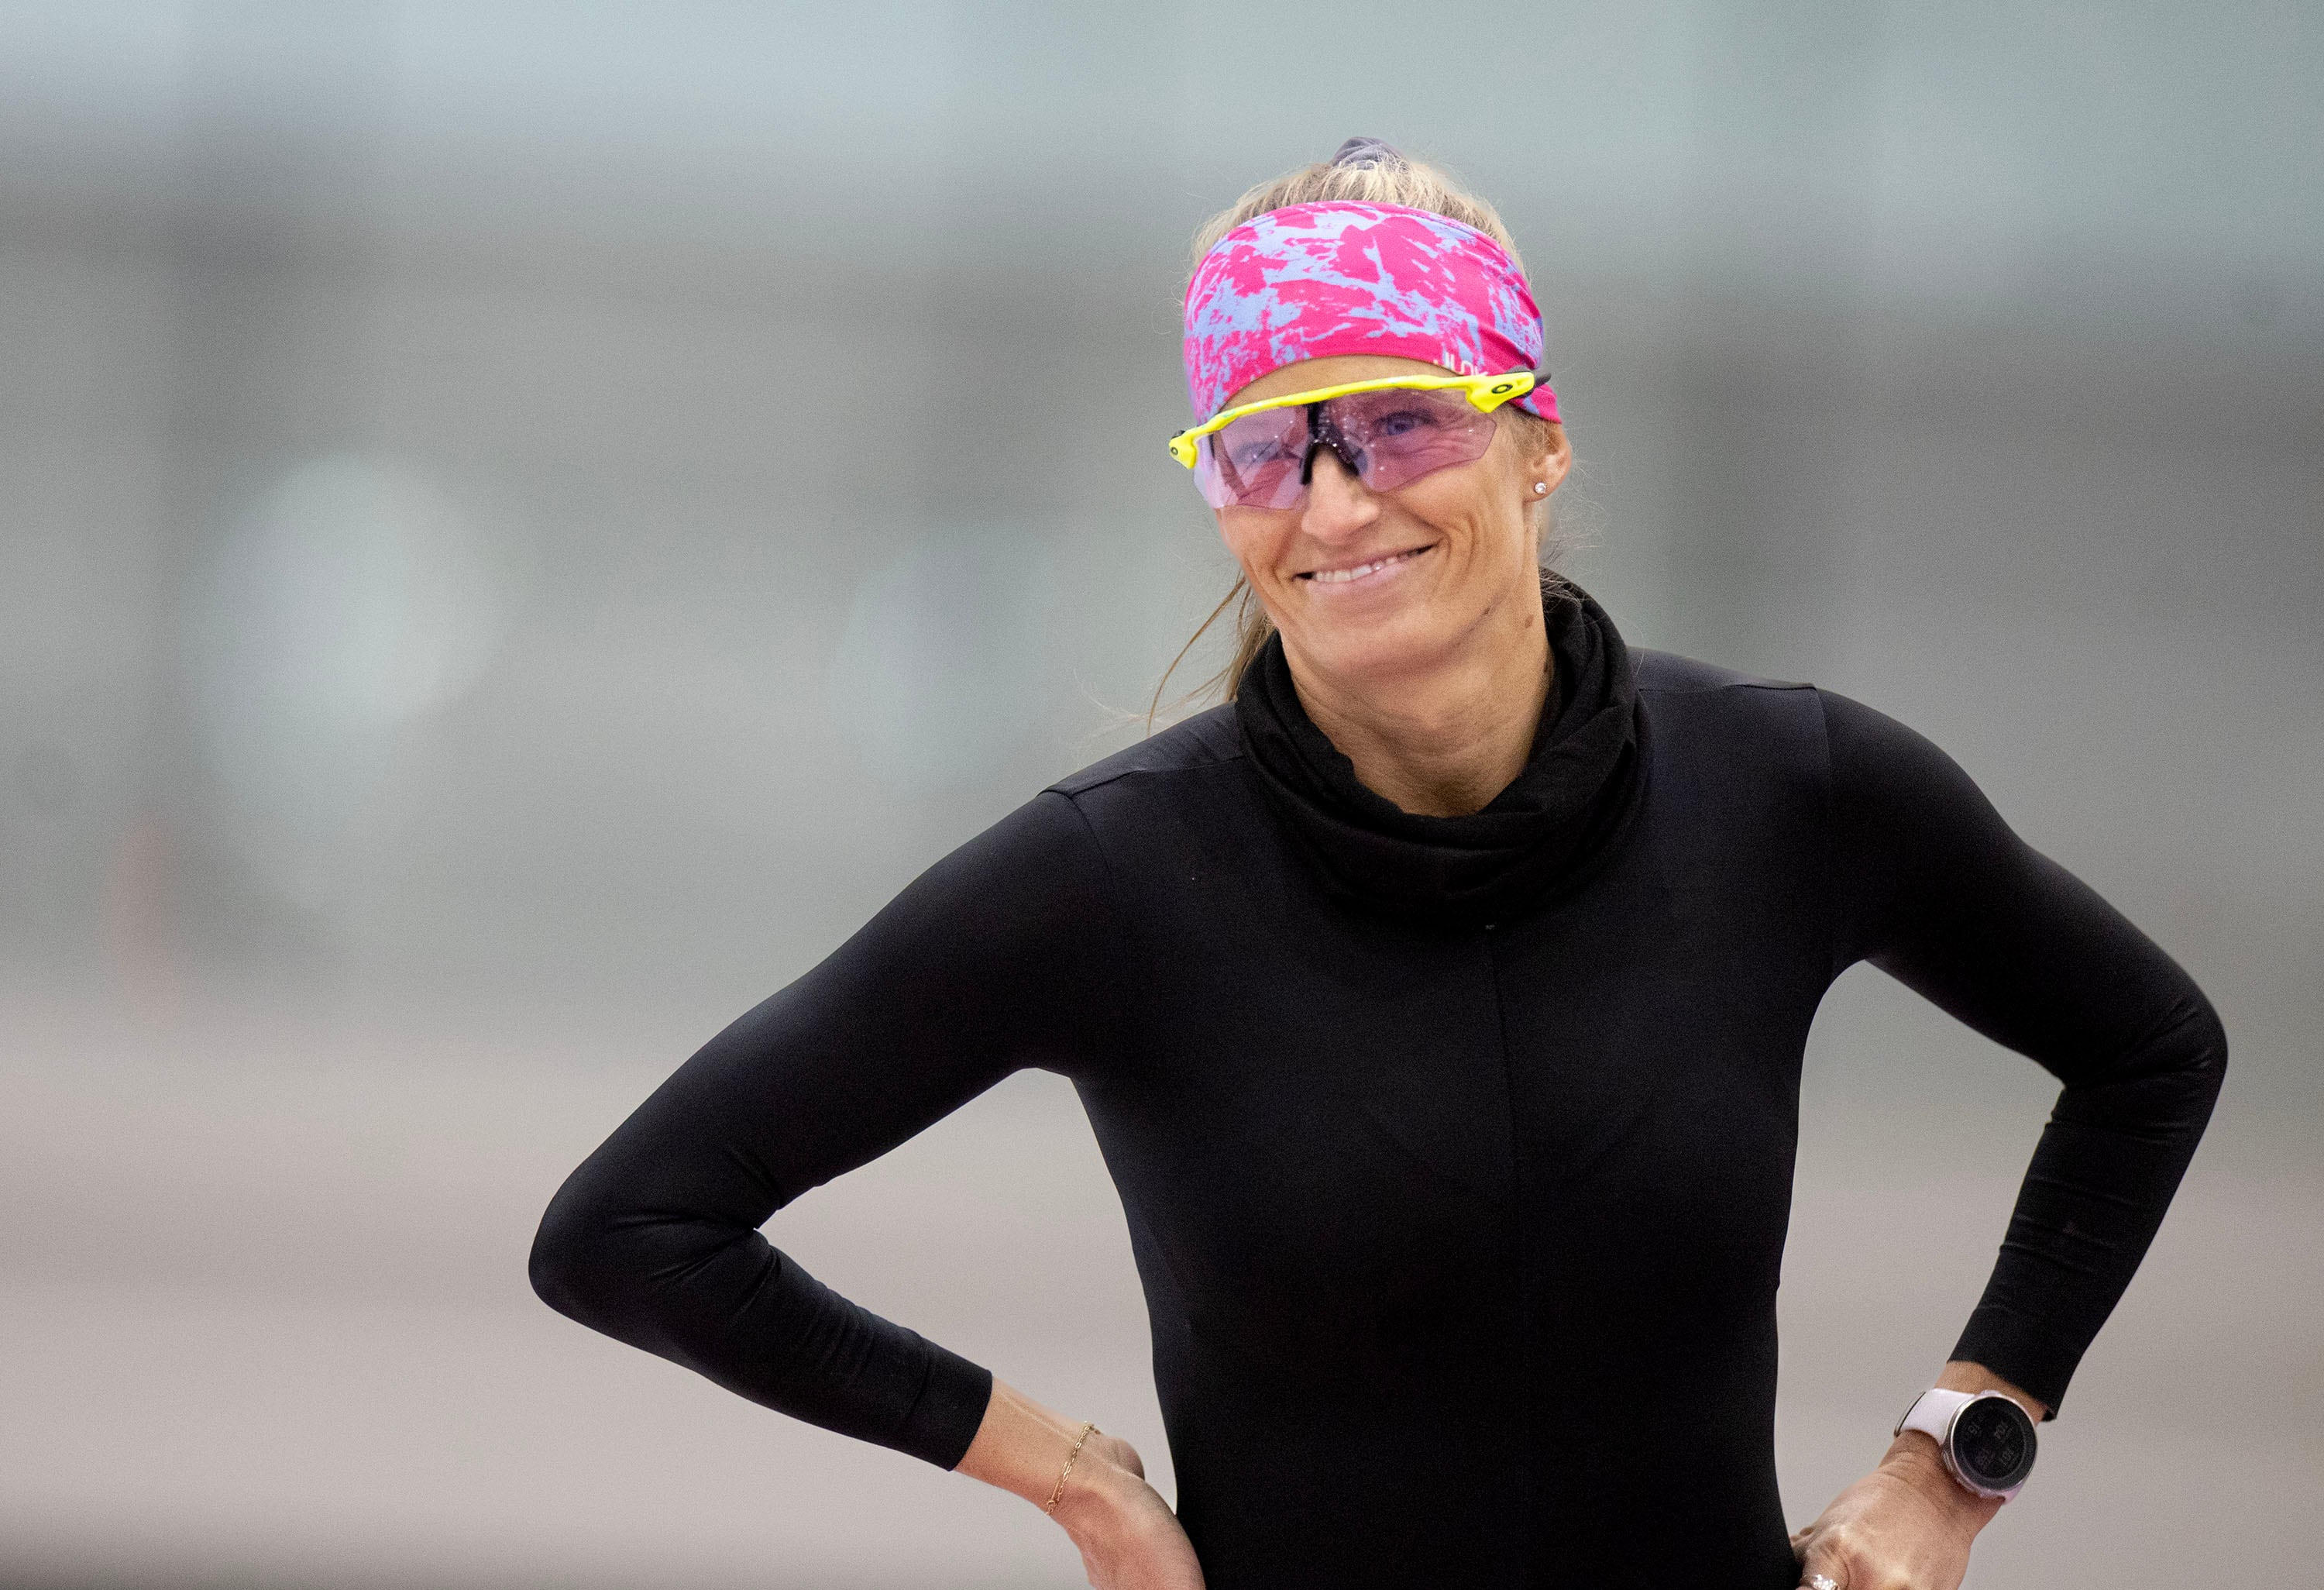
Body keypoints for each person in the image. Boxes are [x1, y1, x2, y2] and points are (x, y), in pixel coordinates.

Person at [528, 139, 2226, 1590]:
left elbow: (2151, 1049)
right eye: (1269, 447)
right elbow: (630, 1226)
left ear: (1538, 437)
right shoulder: (1112, 879)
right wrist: (1061, 1473)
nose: (1335, 505)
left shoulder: (1796, 790)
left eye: (1403, 423)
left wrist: (1959, 1454)